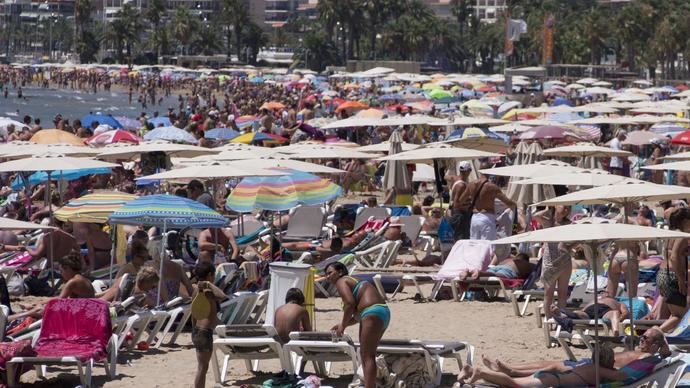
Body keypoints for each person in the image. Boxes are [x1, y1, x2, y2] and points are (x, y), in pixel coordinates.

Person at [480, 326, 670, 377]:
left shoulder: (646, 357)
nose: (642, 339)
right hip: (590, 364)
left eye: (646, 338)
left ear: (655, 345)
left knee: (553, 367)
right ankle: (509, 367)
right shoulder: (638, 351)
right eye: (642, 336)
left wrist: (662, 348)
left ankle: (512, 372)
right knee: (547, 362)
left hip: (595, 371)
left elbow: (667, 353)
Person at [325, 262, 389, 388]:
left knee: (367, 356)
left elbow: (349, 303)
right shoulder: (353, 281)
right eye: (326, 274)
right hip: (382, 312)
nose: (327, 277)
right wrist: (343, 324)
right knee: (368, 354)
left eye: (330, 273)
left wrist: (342, 326)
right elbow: (357, 317)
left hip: (371, 312)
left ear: (340, 272)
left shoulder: (341, 281)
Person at [458, 345, 626, 387]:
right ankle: (481, 373)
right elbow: (623, 377)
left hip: (551, 376)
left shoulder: (587, 365)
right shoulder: (601, 370)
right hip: (550, 381)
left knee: (513, 381)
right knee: (514, 384)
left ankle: (471, 370)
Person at [191, 262, 228, 388]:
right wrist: (209, 284)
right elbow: (223, 296)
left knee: (202, 366)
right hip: (204, 332)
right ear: (210, 275)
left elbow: (193, 314)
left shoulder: (196, 290)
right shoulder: (207, 290)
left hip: (197, 330)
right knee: (203, 368)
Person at [656, 207, 690, 332]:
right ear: (685, 220)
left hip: (663, 274)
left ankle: (670, 338)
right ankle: (654, 334)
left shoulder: (670, 234)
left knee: (675, 312)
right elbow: (674, 256)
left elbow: (671, 253)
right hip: (673, 276)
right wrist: (681, 279)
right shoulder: (681, 235)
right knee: (679, 316)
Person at [457, 174, 516, 241]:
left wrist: (471, 204)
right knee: (487, 246)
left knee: (474, 246)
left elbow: (461, 200)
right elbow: (508, 202)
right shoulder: (492, 187)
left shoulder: (471, 184)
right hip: (487, 217)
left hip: (474, 218)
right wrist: (514, 204)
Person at [550, 292, 629, 336]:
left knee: (615, 313)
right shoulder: (595, 299)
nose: (605, 293)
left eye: (607, 292)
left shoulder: (619, 302)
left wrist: (620, 318)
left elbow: (625, 313)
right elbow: (583, 310)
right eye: (603, 292)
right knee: (579, 313)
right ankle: (562, 314)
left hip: (606, 310)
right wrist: (581, 312)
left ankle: (616, 331)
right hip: (590, 310)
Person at [457, 253, 534, 281]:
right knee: (497, 276)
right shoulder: (524, 263)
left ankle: (469, 272)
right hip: (509, 270)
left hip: (497, 267)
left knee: (491, 272)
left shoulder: (508, 260)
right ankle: (480, 273)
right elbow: (535, 268)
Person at [449, 161, 472, 240]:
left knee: (458, 238)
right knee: (461, 239)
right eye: (470, 170)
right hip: (460, 215)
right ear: (467, 171)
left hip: (457, 214)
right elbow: (456, 203)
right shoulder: (461, 185)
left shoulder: (456, 181)